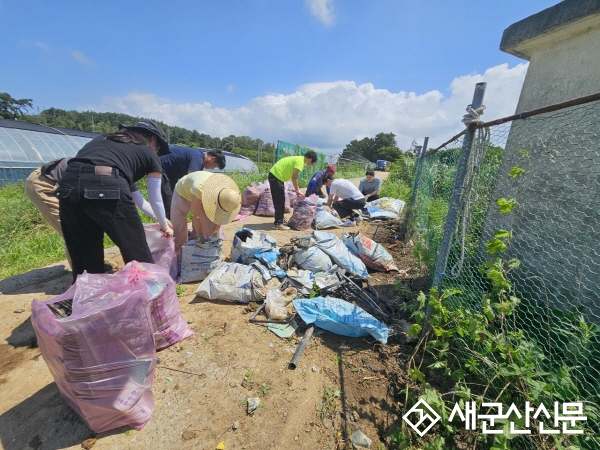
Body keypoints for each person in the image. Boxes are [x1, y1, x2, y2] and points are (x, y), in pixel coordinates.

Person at [56, 120, 173, 282]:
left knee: (84, 254)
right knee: (136, 251)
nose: (157, 151)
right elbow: (155, 198)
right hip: (106, 184)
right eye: (158, 147)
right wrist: (165, 225)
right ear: (153, 139)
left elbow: (140, 201)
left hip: (67, 186)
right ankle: (149, 299)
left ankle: (87, 301)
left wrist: (162, 221)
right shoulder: (148, 152)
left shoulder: (105, 143)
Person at [171, 171, 241, 256]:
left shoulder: (228, 194)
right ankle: (178, 256)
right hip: (183, 193)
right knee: (178, 230)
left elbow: (219, 215)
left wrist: (215, 232)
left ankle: (208, 253)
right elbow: (196, 216)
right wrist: (200, 236)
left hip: (206, 194)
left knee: (209, 228)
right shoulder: (199, 188)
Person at [160, 146, 226, 218]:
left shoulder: (199, 157)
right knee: (168, 199)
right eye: (215, 166)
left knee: (173, 198)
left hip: (171, 174)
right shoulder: (198, 159)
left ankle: (171, 223)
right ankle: (169, 224)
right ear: (212, 159)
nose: (212, 168)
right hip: (162, 169)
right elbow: (190, 180)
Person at [268, 151, 318, 230]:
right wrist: (297, 190)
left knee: (282, 199)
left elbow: (293, 177)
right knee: (279, 200)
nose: (310, 165)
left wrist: (296, 189)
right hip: (275, 176)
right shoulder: (300, 162)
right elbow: (294, 177)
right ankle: (278, 224)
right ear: (310, 160)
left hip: (277, 177)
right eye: (311, 163)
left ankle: (280, 218)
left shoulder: (299, 159)